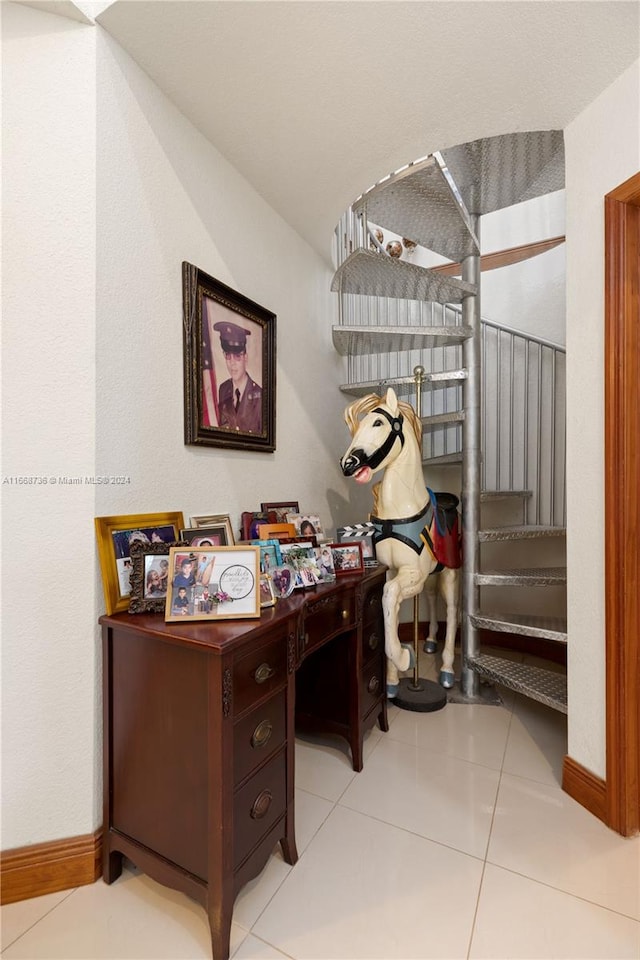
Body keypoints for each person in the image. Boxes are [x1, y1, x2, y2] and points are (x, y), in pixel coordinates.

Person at [213, 321, 262, 434]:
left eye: (237, 356)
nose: (232, 363)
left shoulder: (260, 395)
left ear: (245, 358)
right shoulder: (223, 389)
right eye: (228, 356)